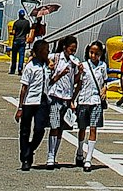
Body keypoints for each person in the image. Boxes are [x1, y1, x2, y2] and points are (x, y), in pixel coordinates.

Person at [14, 38, 50, 170]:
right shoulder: (30, 67)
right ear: (38, 52)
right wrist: (20, 107)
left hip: (43, 101)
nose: (47, 53)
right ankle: (25, 158)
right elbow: (24, 88)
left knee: (40, 129)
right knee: (25, 131)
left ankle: (30, 149)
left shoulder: (48, 66)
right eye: (45, 51)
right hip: (30, 101)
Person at [45, 36, 80, 168]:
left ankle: (55, 154)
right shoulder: (55, 57)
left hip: (67, 97)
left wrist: (79, 72)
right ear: (65, 47)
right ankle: (50, 154)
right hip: (55, 95)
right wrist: (59, 72)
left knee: (61, 128)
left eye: (75, 50)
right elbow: (50, 77)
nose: (73, 52)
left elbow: (75, 81)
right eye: (71, 49)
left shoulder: (74, 62)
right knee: (54, 126)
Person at [74, 41, 109, 172]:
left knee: (93, 128)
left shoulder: (102, 66)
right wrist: (72, 100)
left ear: (101, 54)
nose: (93, 56)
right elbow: (77, 82)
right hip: (83, 99)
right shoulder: (83, 65)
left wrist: (105, 89)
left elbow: (105, 81)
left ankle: (88, 158)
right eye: (91, 53)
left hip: (96, 101)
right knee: (82, 128)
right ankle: (79, 151)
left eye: (96, 53)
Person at [9, 9, 30, 76]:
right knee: (21, 56)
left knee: (14, 56)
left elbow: (14, 32)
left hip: (16, 40)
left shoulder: (16, 23)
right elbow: (27, 33)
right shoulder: (27, 22)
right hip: (23, 40)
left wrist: (11, 33)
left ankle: (12, 69)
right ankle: (20, 68)